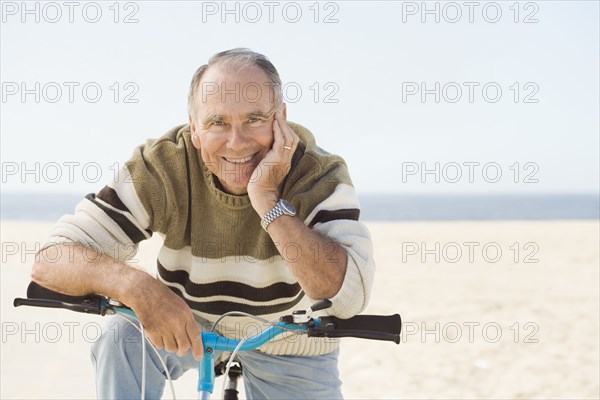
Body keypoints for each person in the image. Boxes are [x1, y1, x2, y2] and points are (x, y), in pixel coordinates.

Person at [31, 48, 375, 399]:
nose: (236, 142)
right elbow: (52, 260)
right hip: (185, 320)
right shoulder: (166, 165)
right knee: (119, 339)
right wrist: (137, 288)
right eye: (217, 122)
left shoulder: (317, 173)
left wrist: (267, 199)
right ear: (194, 128)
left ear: (281, 119)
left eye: (254, 118)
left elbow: (347, 297)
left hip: (288, 339)